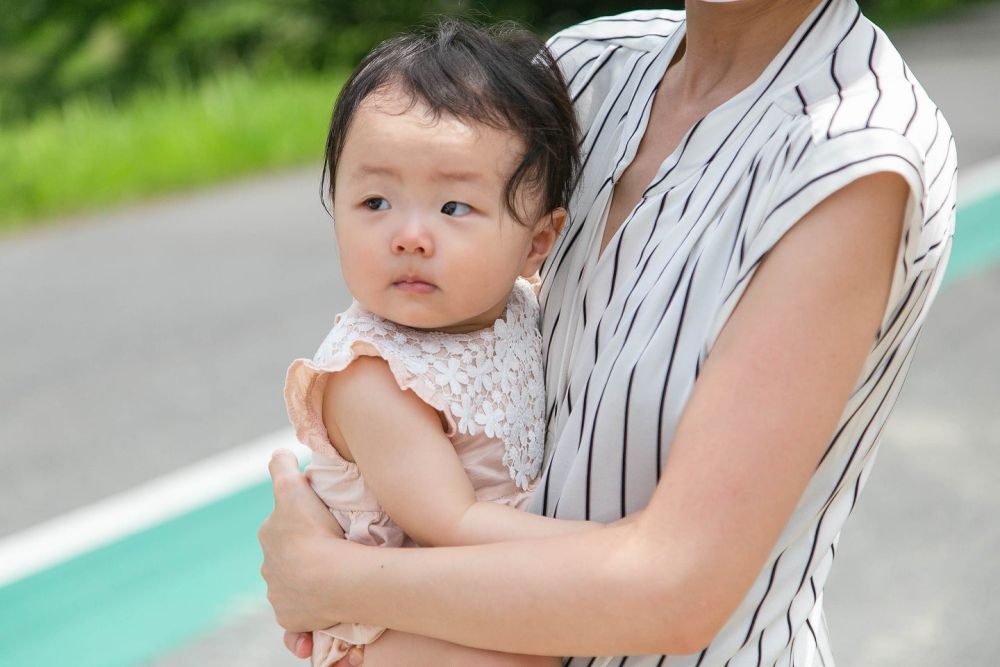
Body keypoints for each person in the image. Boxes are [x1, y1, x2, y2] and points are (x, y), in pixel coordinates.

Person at [260, 0, 957, 665]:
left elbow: (676, 589)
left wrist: (330, 577)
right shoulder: (586, 69)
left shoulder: (852, 155)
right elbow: (421, 297)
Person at [279, 18, 616, 666]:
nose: (408, 235)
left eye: (453, 208)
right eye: (375, 201)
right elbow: (449, 522)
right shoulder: (372, 377)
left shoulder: (517, 305)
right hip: (385, 624)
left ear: (537, 244)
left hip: (464, 581)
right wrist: (611, 550)